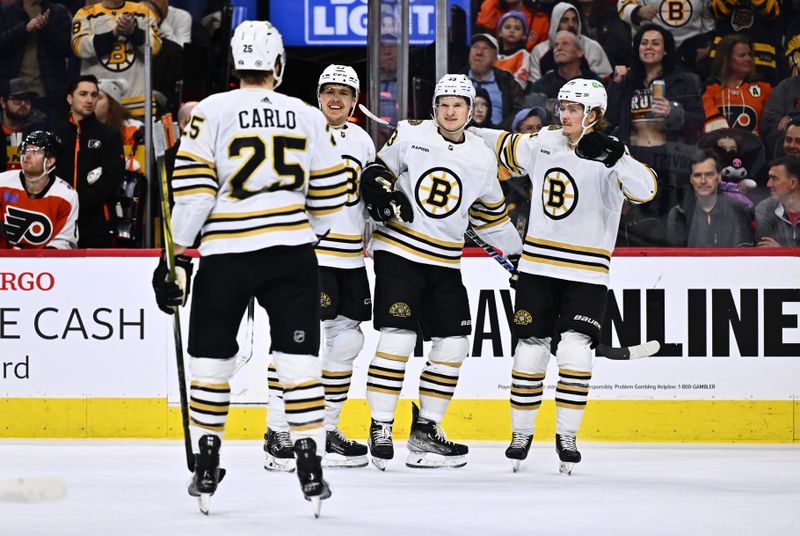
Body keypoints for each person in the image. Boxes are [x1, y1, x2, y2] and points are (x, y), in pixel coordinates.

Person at [150, 21, 347, 514]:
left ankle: (209, 457)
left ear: (235, 65)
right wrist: (306, 234)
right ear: (278, 65)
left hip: (226, 256)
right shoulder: (306, 114)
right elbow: (329, 198)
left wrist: (173, 256)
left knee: (212, 359)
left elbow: (193, 193)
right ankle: (309, 458)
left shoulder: (210, 111)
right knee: (298, 361)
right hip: (291, 255)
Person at [471, 79, 657, 474]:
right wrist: (454, 126)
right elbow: (499, 142)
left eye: (574, 108)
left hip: (587, 271)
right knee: (530, 351)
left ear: (594, 115)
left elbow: (647, 190)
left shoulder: (611, 155)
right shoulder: (544, 142)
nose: (565, 114)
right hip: (537, 266)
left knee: (574, 353)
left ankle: (567, 436)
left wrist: (619, 157)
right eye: (563, 107)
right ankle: (520, 434)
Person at [360, 74, 522, 470]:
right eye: (444, 104)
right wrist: (381, 190)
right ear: (434, 107)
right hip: (398, 251)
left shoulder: (483, 157)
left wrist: (519, 255)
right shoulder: (411, 134)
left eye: (459, 105)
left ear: (471, 110)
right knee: (398, 337)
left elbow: (490, 217)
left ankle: (426, 430)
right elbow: (376, 173)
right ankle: (381, 425)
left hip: (446, 260)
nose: (451, 112)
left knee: (453, 344)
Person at [262, 64, 376, 471]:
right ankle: (279, 431)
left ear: (355, 100)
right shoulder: (300, 131)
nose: (335, 98)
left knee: (347, 343)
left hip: (350, 259)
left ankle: (326, 429)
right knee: (299, 343)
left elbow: (367, 201)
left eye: (344, 92)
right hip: (308, 256)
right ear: (317, 94)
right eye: (328, 90)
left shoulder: (363, 140)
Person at [606, 24, 705, 240]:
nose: (649, 47)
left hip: (668, 162)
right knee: (629, 225)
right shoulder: (627, 82)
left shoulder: (683, 81)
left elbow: (698, 122)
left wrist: (674, 111)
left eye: (655, 43)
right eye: (644, 42)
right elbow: (608, 118)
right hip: (632, 160)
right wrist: (615, 84)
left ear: (666, 50)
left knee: (665, 224)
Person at [55, 74, 123, 248]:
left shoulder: (109, 136)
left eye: (94, 95)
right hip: (58, 221)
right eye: (83, 94)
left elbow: (111, 179)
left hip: (97, 224)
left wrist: (77, 204)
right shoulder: (54, 135)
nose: (89, 100)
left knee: (98, 275)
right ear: (70, 98)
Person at [70, 0, 161, 118]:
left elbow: (155, 47)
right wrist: (114, 33)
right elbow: (80, 48)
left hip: (137, 102)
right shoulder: (85, 14)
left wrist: (133, 32)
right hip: (97, 104)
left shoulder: (143, 12)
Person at [0, 130, 78, 249]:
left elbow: (63, 242)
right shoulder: (2, 182)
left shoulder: (67, 195)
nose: (27, 156)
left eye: (36, 151)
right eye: (26, 150)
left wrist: (37, 262)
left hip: (46, 264)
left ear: (50, 161)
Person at [0, 0, 73, 128]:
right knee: (12, 144)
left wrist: (46, 28)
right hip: (12, 96)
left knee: (48, 144)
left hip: (50, 95)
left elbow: (66, 49)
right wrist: (26, 29)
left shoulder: (58, 12)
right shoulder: (5, 12)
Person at [666, 149, 753, 247]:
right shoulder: (678, 214)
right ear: (691, 179)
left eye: (709, 174)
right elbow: (675, 258)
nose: (703, 181)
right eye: (697, 175)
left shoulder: (738, 210)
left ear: (719, 177)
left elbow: (743, 255)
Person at [702, 34, 772, 136]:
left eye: (749, 54)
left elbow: (773, 119)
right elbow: (710, 123)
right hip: (718, 147)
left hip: (755, 148)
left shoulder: (762, 86)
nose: (748, 59)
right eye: (742, 55)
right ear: (727, 59)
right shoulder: (711, 87)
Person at [527, 2, 611, 84]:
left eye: (575, 20)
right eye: (565, 20)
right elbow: (535, 87)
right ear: (555, 23)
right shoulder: (539, 51)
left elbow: (605, 82)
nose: (571, 25)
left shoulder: (592, 47)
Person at [462, 33, 526, 128]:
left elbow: (520, 111)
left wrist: (498, 130)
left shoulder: (506, 80)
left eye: (485, 49)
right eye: (475, 47)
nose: (479, 52)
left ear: (495, 58)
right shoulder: (457, 79)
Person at [527, 31, 601, 102]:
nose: (559, 48)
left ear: (580, 52)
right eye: (556, 45)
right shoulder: (541, 85)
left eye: (565, 44)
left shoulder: (594, 83)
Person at [2, 78, 48, 171]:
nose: (23, 104)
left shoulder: (39, 128)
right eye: (17, 99)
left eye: (27, 99)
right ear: (3, 102)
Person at [755, 156, 800, 247]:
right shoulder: (765, 208)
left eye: (774, 178)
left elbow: (775, 251)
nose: (768, 184)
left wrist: (782, 250)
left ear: (793, 183)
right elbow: (766, 248)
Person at [495, 10, 531, 88]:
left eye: (517, 28)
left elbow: (520, 84)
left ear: (523, 36)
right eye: (507, 27)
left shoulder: (523, 55)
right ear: (499, 32)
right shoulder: (492, 52)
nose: (512, 31)